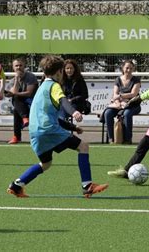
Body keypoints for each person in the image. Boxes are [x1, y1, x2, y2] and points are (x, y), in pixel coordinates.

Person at [7, 55, 108, 198]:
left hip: (35, 133)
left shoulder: (42, 88)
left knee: (46, 164)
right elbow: (63, 101)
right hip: (49, 130)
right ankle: (87, 185)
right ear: (59, 72)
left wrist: (73, 128)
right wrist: (74, 112)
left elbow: (50, 116)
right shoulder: (54, 86)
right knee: (83, 146)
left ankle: (17, 185)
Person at [103, 60, 141, 144]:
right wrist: (118, 103)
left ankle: (128, 139)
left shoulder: (136, 80)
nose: (129, 70)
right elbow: (115, 93)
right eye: (127, 68)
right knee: (108, 113)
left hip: (133, 105)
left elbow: (133, 94)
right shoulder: (118, 79)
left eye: (131, 68)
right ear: (123, 68)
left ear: (133, 69)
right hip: (119, 104)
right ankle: (112, 138)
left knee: (127, 114)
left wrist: (120, 96)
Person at [5, 58, 38, 144]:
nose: (18, 67)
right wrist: (16, 80)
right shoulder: (13, 80)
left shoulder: (31, 76)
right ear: (13, 67)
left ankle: (17, 135)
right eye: (16, 66)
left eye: (20, 65)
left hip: (33, 103)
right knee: (16, 108)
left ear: (24, 66)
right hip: (21, 106)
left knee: (16, 100)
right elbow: (10, 93)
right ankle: (24, 120)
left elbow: (29, 93)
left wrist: (14, 93)